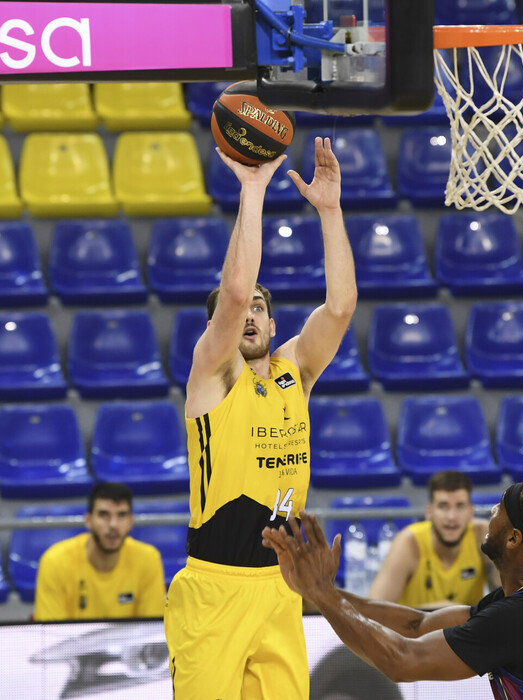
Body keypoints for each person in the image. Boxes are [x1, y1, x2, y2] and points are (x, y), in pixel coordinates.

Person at [164, 136, 357, 700]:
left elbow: (340, 307)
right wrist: (254, 188)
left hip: (280, 585)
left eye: (260, 308)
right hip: (215, 587)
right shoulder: (213, 375)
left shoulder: (294, 371)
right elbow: (232, 294)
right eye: (241, 311)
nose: (248, 314)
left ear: (273, 325)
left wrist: (330, 211)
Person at [263, 477, 523, 700]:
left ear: (514, 538)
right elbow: (416, 626)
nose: (491, 512)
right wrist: (318, 590)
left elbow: (401, 661)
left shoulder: (522, 618)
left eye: (499, 508)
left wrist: (324, 595)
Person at [34, 482, 165, 621]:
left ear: (130, 521)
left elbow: (151, 629)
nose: (113, 525)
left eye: (121, 515)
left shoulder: (148, 560)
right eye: (104, 515)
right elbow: (51, 632)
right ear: (88, 520)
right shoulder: (54, 562)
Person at [369, 470, 500, 608]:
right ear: (429, 512)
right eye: (443, 506)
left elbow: (507, 600)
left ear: (470, 512)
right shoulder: (409, 542)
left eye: (460, 506)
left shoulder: (482, 536)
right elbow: (373, 610)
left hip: (468, 622)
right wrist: (441, 612)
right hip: (416, 623)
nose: (451, 517)